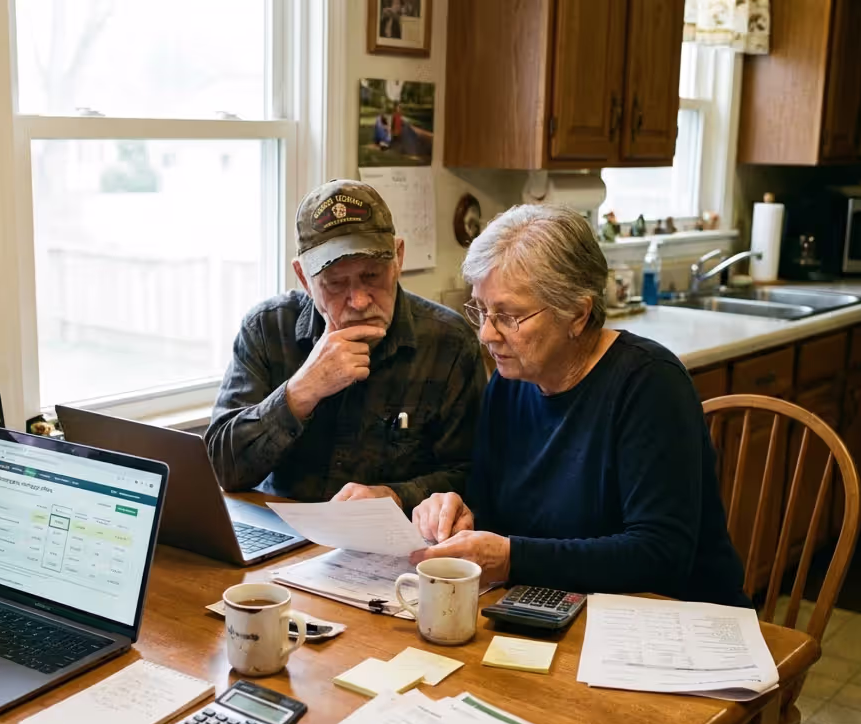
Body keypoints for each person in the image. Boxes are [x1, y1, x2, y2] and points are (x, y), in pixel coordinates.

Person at [410, 204, 749, 607]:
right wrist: (457, 514)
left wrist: (511, 557)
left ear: (578, 313)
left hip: (674, 620)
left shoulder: (650, 383)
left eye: (509, 316)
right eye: (481, 310)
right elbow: (489, 510)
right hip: (560, 607)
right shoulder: (508, 382)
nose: (486, 334)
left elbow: (661, 555)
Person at [206, 179, 486, 514]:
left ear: (398, 257)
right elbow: (221, 468)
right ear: (303, 278)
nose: (359, 300)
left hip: (392, 548)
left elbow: (474, 477)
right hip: (284, 539)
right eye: (336, 283)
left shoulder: (448, 343)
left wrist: (396, 496)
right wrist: (299, 393)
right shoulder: (267, 329)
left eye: (372, 276)